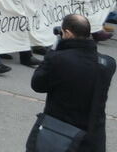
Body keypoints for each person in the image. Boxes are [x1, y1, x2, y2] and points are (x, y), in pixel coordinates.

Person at [27, 14, 115, 152]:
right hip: (93, 138)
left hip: (60, 135)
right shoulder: (108, 64)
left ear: (67, 33)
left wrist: (53, 51)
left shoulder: (58, 59)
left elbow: (37, 84)